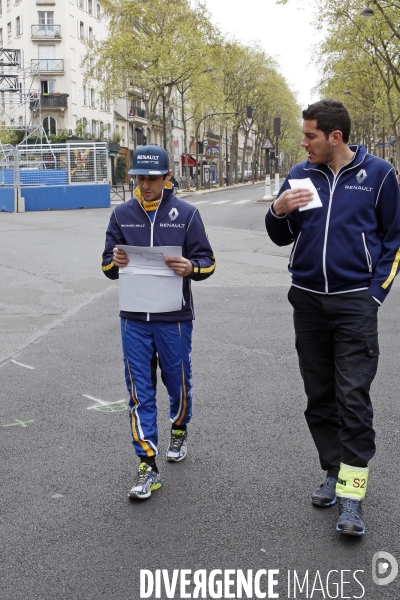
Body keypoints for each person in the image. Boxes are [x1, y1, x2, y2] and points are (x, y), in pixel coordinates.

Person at [265, 99, 400, 536]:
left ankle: (352, 496)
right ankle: (333, 471)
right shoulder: (301, 174)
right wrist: (278, 210)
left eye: (310, 136)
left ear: (334, 137)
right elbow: (280, 235)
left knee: (353, 399)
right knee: (319, 396)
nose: (303, 142)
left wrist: (375, 295)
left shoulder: (378, 175)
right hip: (306, 301)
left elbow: (394, 238)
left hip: (354, 303)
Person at [102, 145, 215, 500]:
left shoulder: (187, 214)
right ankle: (147, 465)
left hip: (174, 318)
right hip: (134, 318)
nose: (145, 185)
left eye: (152, 178)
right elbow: (106, 266)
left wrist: (191, 268)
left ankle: (179, 426)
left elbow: (207, 261)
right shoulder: (121, 214)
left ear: (167, 178)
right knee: (139, 392)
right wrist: (116, 261)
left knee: (177, 382)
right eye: (139, 178)